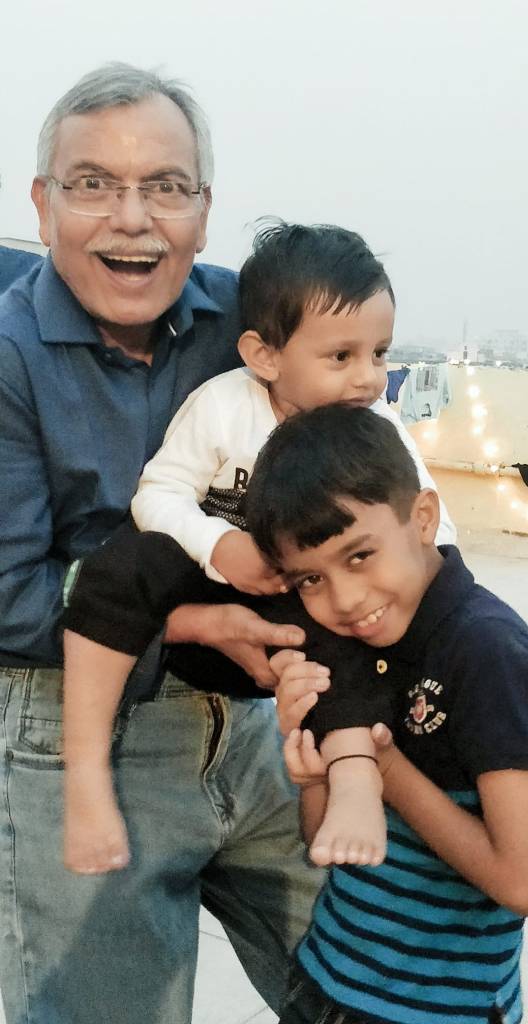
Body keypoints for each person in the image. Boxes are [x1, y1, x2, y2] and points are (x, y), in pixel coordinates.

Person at [0, 62, 326, 1024]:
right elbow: (7, 590)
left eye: (166, 186)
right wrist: (192, 623)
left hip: (261, 722)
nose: (133, 219)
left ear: (204, 211)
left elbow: (356, 455)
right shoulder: (7, 355)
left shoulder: (251, 326)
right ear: (43, 205)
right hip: (73, 723)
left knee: (386, 977)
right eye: (93, 184)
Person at [61, 220, 456, 875]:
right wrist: (220, 546)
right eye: (341, 357)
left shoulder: (376, 428)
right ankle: (85, 773)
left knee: (355, 619)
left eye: (380, 354)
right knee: (123, 565)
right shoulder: (224, 407)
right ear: (264, 356)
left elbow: (431, 527)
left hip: (298, 625)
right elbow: (159, 492)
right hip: (204, 607)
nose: (367, 379)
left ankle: (355, 775)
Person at [244, 403, 528, 1024]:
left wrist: (382, 766)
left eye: (359, 555)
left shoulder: (489, 654)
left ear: (423, 517)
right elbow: (330, 843)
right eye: (310, 580)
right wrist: (317, 779)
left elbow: (525, 884)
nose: (344, 599)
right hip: (324, 978)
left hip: (435, 1009)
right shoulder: (351, 643)